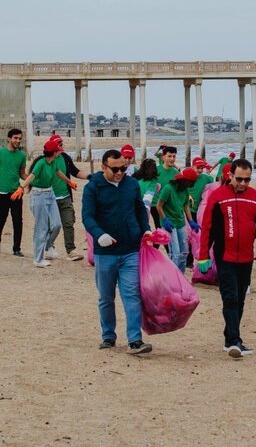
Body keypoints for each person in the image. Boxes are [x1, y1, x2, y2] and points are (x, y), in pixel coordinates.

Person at [197, 159, 256, 359]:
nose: (243, 183)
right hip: (224, 256)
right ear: (230, 176)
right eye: (239, 179)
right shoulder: (218, 196)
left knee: (241, 298)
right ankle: (234, 341)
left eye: (247, 180)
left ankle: (229, 336)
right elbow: (207, 228)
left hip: (246, 257)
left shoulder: (254, 197)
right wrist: (202, 256)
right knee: (230, 298)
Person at [82, 149, 153, 355]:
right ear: (103, 166)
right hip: (105, 253)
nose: (120, 172)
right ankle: (108, 336)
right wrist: (99, 235)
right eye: (115, 169)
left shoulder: (132, 184)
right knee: (106, 297)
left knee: (132, 294)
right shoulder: (92, 188)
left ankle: (135, 340)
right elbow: (87, 217)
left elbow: (140, 210)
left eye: (124, 167)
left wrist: (146, 229)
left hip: (131, 250)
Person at [11, 138, 75, 268]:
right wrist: (21, 188)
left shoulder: (54, 162)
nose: (60, 152)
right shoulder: (41, 163)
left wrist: (69, 182)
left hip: (50, 193)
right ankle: (38, 259)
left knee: (57, 224)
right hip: (38, 195)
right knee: (42, 228)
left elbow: (58, 173)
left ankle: (47, 246)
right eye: (58, 150)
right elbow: (31, 176)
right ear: (54, 152)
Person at [29, 135, 91, 261]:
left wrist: (90, 176)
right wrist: (25, 188)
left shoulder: (66, 158)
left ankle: (71, 250)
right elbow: (33, 175)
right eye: (59, 145)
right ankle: (48, 247)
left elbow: (75, 172)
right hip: (49, 197)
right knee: (50, 225)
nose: (62, 147)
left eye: (62, 144)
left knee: (68, 223)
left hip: (66, 196)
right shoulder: (43, 160)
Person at [0, 128, 27, 257]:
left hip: (16, 192)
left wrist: (32, 180)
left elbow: (22, 174)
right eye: (15, 138)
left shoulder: (22, 156)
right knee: (0, 219)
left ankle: (16, 248)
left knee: (18, 220)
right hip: (1, 192)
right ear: (9, 139)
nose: (18, 141)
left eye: (19, 138)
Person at [156, 167, 200, 272]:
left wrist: (191, 221)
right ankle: (172, 277)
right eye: (191, 183)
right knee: (175, 253)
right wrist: (165, 219)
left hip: (180, 223)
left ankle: (180, 276)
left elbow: (186, 206)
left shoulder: (185, 190)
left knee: (184, 252)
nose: (191, 185)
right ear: (184, 181)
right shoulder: (168, 189)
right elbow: (159, 206)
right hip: (169, 224)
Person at [150, 146, 179, 232]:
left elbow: (178, 191)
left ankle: (157, 245)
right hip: (156, 205)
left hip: (170, 206)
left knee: (169, 231)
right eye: (169, 156)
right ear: (163, 157)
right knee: (160, 229)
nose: (172, 159)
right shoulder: (155, 171)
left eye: (174, 156)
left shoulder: (176, 173)